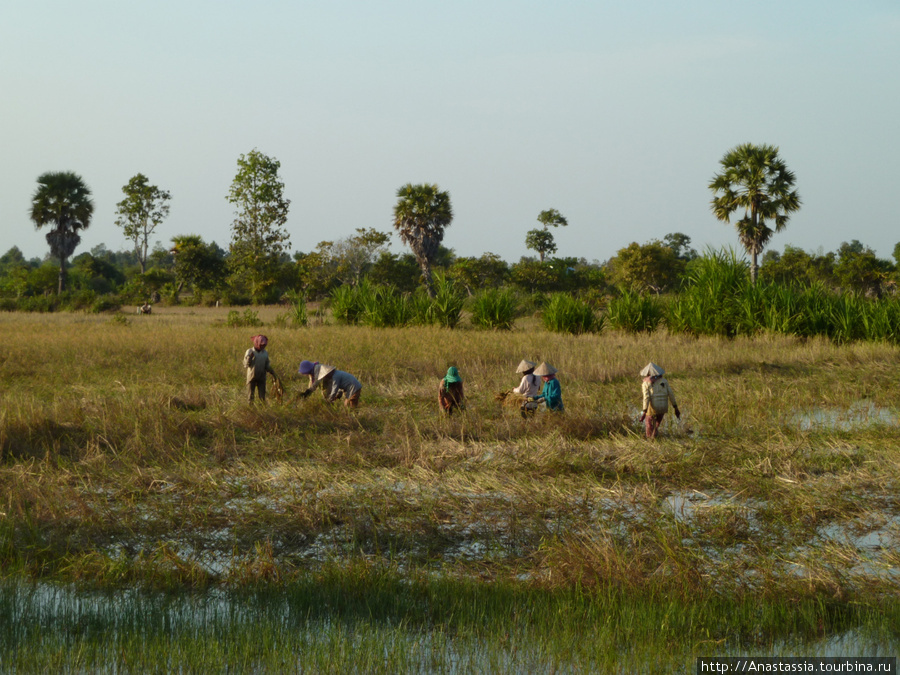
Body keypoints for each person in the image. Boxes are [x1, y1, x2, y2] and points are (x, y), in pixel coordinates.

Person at [639, 362, 680, 439]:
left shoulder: (646, 383)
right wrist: (676, 408)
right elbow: (671, 394)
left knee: (648, 424)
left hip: (653, 407)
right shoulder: (664, 381)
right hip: (663, 407)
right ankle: (654, 437)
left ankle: (650, 440)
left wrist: (644, 412)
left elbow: (646, 397)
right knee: (656, 425)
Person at [243, 334, 279, 402]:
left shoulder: (265, 353)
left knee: (262, 398)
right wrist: (249, 358)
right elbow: (246, 364)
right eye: (261, 345)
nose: (263, 346)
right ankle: (251, 411)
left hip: (261, 378)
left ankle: (262, 411)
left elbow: (267, 365)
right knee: (250, 397)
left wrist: (273, 373)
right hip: (251, 377)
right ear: (257, 343)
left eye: (264, 345)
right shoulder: (250, 351)